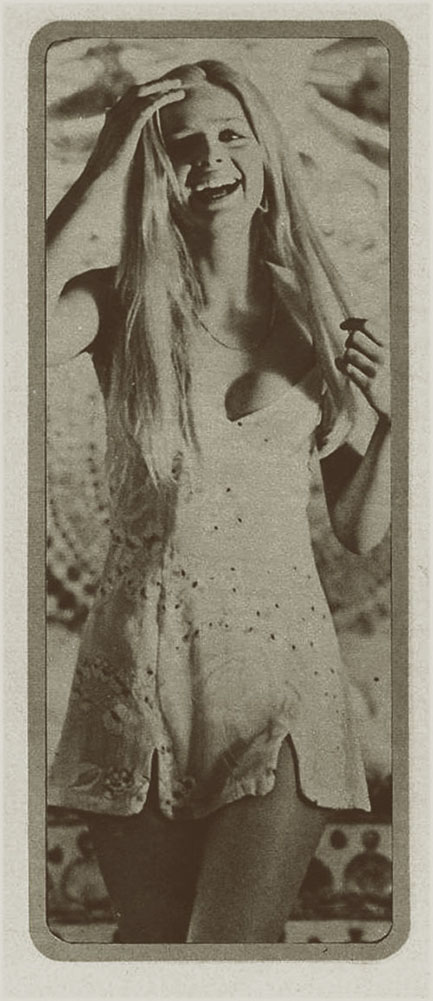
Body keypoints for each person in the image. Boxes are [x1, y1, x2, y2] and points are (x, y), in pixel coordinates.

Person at [47, 60, 390, 944]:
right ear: (152, 168)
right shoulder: (112, 301)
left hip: (280, 675)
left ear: (264, 156)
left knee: (227, 946)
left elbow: (359, 527)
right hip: (135, 674)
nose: (209, 158)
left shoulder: (320, 317)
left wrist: (397, 422)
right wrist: (100, 166)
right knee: (155, 945)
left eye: (231, 135)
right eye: (180, 144)